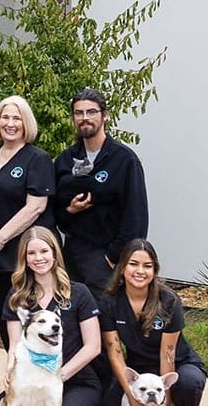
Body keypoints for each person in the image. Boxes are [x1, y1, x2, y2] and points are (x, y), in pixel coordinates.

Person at [0, 226, 102, 406]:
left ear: (55, 254)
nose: (39, 258)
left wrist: (59, 375)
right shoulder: (17, 297)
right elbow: (14, 343)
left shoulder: (79, 293)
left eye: (44, 251)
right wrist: (10, 370)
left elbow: (93, 346)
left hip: (74, 379)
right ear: (24, 259)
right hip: (31, 377)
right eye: (31, 253)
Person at [95, 239, 206, 406]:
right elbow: (115, 352)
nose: (140, 271)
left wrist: (163, 404)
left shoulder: (168, 300)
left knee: (189, 382)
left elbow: (168, 356)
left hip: (177, 363)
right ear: (122, 267)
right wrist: (131, 396)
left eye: (147, 266)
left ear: (155, 270)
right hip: (139, 370)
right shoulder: (110, 301)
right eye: (133, 264)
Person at [0, 96, 56, 349]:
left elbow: (36, 207)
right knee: (6, 320)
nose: (10, 123)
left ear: (26, 123)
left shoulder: (37, 158)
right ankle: (12, 381)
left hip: (28, 255)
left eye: (16, 118)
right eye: (5, 117)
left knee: (33, 325)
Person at [53, 87, 148, 294]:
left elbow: (136, 215)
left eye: (91, 112)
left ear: (105, 116)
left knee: (109, 321)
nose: (84, 118)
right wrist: (70, 210)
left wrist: (115, 256)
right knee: (76, 320)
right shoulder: (65, 160)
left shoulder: (124, 160)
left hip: (108, 259)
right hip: (73, 258)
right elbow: (54, 211)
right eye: (78, 113)